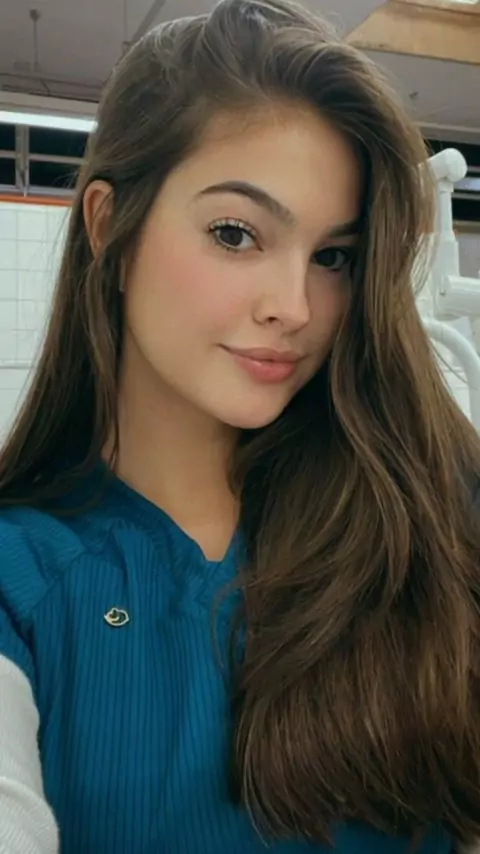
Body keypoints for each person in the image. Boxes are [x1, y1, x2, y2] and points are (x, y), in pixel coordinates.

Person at [0, 0, 479, 851]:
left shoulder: (430, 519)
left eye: (333, 257)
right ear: (110, 227)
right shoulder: (21, 576)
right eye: (236, 233)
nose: (296, 307)